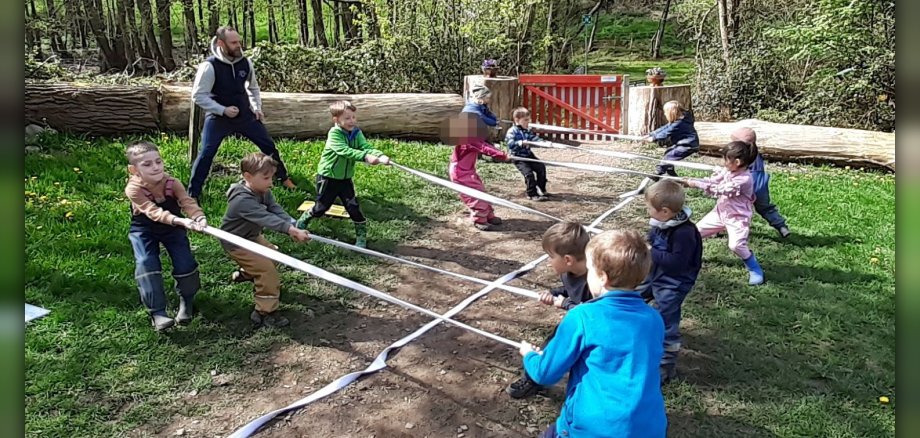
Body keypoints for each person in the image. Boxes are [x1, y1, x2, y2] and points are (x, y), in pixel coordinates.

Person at [520, 229, 667, 438]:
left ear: (603, 277)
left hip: (593, 429)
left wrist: (530, 356)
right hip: (649, 428)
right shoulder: (654, 319)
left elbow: (545, 373)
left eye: (589, 270)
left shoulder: (582, 317)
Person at [188, 26, 296, 200]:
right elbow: (198, 96)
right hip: (219, 117)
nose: (238, 45)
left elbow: (253, 88)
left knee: (268, 146)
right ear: (221, 43)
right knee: (206, 152)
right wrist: (222, 110)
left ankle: (283, 177)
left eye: (239, 41)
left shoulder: (245, 62)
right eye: (234, 42)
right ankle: (193, 193)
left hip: (245, 114)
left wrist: (256, 107)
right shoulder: (209, 67)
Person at [124, 141, 207, 331]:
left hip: (172, 229)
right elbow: (152, 211)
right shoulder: (133, 189)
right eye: (147, 164)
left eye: (158, 162)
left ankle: (187, 302)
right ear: (133, 169)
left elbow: (186, 201)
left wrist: (198, 217)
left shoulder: (172, 182)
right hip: (144, 229)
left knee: (185, 262)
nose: (155, 167)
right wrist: (180, 221)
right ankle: (158, 312)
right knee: (146, 263)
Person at [221, 153, 310, 328]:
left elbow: (274, 209)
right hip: (237, 243)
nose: (270, 182)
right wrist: (290, 230)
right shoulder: (241, 201)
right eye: (266, 178)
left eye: (272, 177)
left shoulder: (262, 190)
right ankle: (265, 311)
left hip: (252, 237)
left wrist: (293, 224)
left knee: (274, 256)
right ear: (247, 177)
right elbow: (266, 218)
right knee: (267, 271)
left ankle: (246, 273)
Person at [506, 222, 592, 399]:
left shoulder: (594, 281)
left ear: (567, 260)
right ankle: (534, 378)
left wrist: (565, 304)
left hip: (591, 328)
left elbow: (592, 312)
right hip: (576, 321)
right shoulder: (569, 272)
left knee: (579, 359)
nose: (548, 261)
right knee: (551, 347)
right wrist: (553, 293)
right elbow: (570, 290)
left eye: (550, 256)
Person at [295, 100, 390, 248]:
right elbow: (344, 151)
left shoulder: (356, 133)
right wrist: (365, 157)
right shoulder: (334, 134)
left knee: (353, 207)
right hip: (328, 177)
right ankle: (305, 218)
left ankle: (361, 236)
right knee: (321, 208)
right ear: (336, 119)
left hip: (345, 179)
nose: (352, 121)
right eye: (347, 118)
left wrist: (380, 155)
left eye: (353, 117)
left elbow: (365, 146)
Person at [640, 180, 703, 384]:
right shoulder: (662, 222)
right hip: (655, 274)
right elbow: (652, 239)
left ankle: (665, 366)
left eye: (649, 208)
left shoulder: (685, 233)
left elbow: (676, 262)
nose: (647, 210)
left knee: (665, 320)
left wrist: (651, 252)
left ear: (665, 211)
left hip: (674, 282)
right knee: (632, 294)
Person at [685, 141, 765, 285]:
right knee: (695, 233)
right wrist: (695, 181)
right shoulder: (729, 170)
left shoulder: (744, 179)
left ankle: (754, 268)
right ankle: (688, 257)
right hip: (720, 212)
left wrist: (696, 184)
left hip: (737, 218)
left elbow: (720, 189)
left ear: (738, 162)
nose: (723, 162)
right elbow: (714, 181)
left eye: (726, 159)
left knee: (736, 245)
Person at [447, 112, 509, 231]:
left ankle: (488, 215)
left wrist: (501, 153)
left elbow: (484, 145)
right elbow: (483, 148)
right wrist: (502, 155)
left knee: (480, 190)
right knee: (474, 194)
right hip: (460, 173)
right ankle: (479, 219)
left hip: (467, 170)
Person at [730, 127, 791, 238]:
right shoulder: (754, 151)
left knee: (729, 204)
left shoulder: (739, 155)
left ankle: (719, 228)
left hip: (745, 182)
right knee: (765, 208)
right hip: (760, 182)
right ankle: (781, 226)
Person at [504, 107, 550, 201]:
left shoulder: (526, 130)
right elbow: (510, 144)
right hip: (518, 157)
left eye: (528, 120)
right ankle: (531, 194)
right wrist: (520, 143)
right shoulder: (512, 131)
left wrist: (542, 142)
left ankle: (541, 189)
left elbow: (533, 138)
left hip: (528, 155)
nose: (527, 122)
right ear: (517, 120)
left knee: (541, 167)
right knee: (529, 174)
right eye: (525, 120)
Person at [644, 100, 700, 177]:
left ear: (671, 113)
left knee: (669, 156)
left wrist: (654, 138)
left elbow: (666, 132)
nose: (664, 114)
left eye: (665, 112)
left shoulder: (679, 124)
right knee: (668, 152)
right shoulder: (680, 120)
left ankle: (658, 173)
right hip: (685, 144)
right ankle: (670, 171)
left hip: (688, 145)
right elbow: (665, 127)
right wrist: (652, 134)